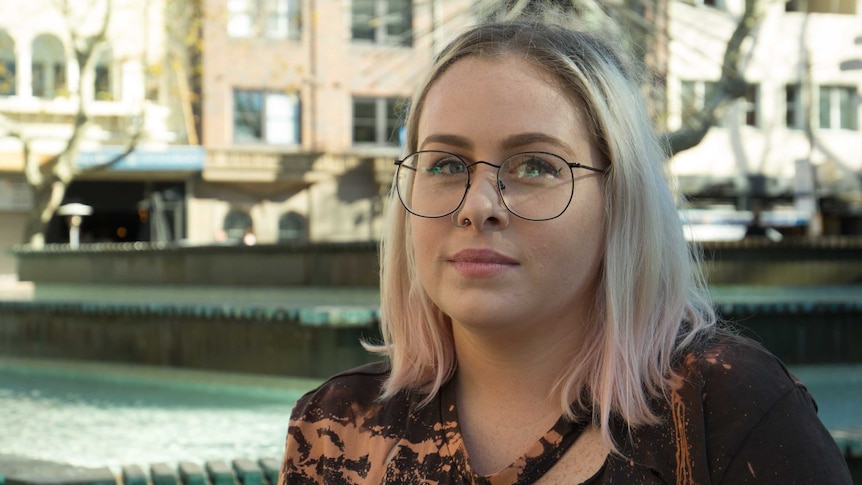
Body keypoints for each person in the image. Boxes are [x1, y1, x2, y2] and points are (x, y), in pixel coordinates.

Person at [279, 16, 852, 484]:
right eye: (447, 164)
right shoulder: (336, 425)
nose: (478, 205)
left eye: (535, 166)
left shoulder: (725, 409)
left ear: (619, 199)